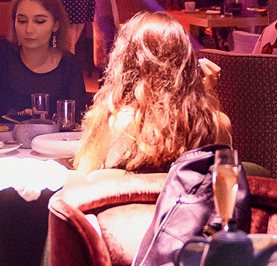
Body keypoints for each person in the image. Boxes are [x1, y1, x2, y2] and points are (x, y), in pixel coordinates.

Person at [73, 12, 228, 174]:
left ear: (126, 63)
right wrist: (200, 94)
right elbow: (220, 182)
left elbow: (85, 179)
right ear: (187, 62)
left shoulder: (113, 122)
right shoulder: (217, 124)